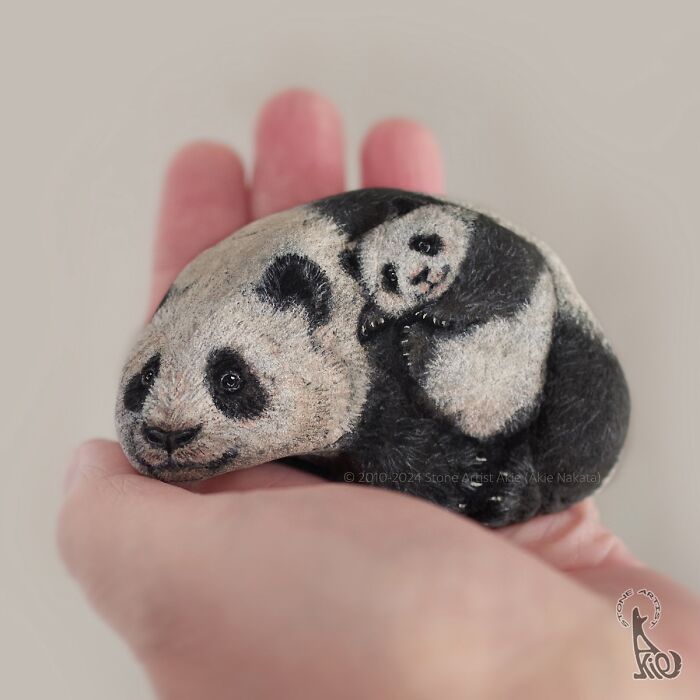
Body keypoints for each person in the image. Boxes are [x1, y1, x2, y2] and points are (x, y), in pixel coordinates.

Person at [57, 88, 699, 699]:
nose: (168, 420)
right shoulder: (330, 376)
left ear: (306, 308)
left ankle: (468, 282)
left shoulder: (344, 313)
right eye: (145, 386)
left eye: (230, 384)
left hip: (529, 357)